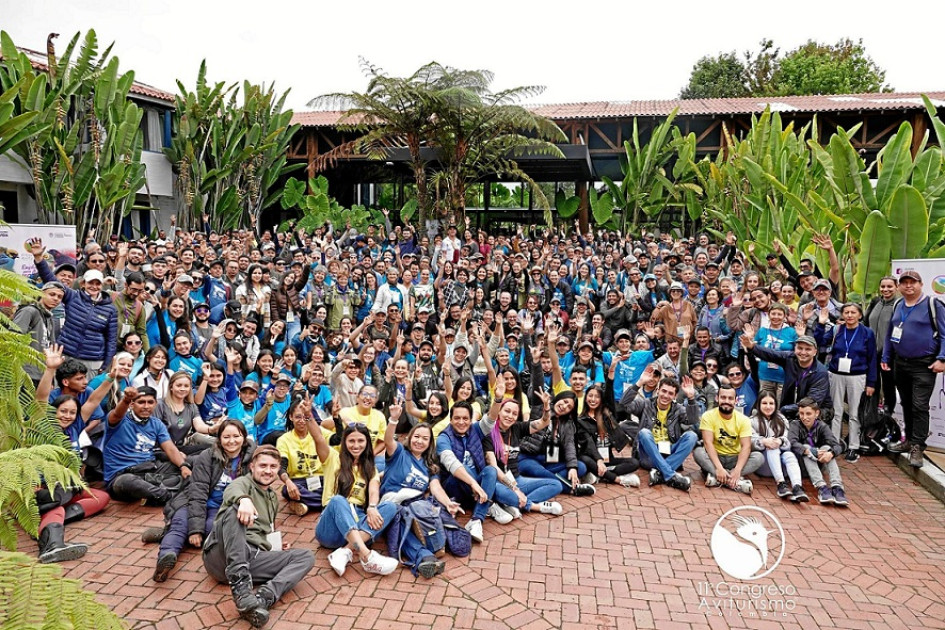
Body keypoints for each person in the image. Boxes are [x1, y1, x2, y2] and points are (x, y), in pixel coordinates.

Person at [201, 444, 315, 628]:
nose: (268, 471)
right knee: (234, 510)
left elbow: (265, 531)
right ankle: (241, 587)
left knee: (306, 557)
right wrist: (243, 500)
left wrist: (275, 546)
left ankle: (263, 599)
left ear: (278, 470)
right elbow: (232, 490)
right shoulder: (243, 483)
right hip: (220, 557)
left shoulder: (272, 498)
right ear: (252, 466)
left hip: (251, 557)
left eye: (273, 467)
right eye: (263, 466)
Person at [151, 420, 253, 583]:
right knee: (181, 524)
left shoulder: (251, 459)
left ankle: (165, 533)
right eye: (226, 437)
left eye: (236, 436)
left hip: (222, 508)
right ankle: (166, 558)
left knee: (213, 529)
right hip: (194, 500)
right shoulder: (207, 457)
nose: (231, 441)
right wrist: (195, 531)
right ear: (219, 439)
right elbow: (197, 492)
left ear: (244, 437)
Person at [306, 406, 400, 577]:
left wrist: (372, 506)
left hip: (356, 524)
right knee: (338, 500)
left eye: (360, 441)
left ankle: (345, 552)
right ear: (344, 442)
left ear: (367, 443)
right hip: (331, 527)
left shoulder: (369, 468)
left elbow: (373, 490)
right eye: (351, 441)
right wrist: (308, 416)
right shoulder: (332, 458)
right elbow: (318, 437)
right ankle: (367, 556)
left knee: (391, 507)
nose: (356, 445)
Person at [379, 406, 463, 577]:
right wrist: (393, 419)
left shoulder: (429, 466)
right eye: (416, 437)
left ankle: (427, 555)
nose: (419, 441)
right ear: (410, 438)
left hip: (414, 507)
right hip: (391, 504)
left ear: (430, 442)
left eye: (425, 438)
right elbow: (388, 440)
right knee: (400, 520)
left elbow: (436, 487)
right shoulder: (399, 453)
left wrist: (448, 503)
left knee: (409, 519)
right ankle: (424, 556)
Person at [881, 270, 945, 468]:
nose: (908, 286)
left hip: (923, 364)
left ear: (920, 284)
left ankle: (918, 446)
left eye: (912, 283)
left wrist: (942, 358)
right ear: (899, 286)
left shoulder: (932, 305)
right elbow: (891, 332)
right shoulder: (899, 304)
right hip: (901, 362)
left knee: (919, 405)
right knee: (907, 403)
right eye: (904, 283)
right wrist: (886, 356)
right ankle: (908, 440)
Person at [31, 237, 118, 373]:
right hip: (66, 356)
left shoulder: (110, 309)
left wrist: (106, 365)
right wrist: (39, 259)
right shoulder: (73, 296)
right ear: (83, 283)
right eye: (90, 283)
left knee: (88, 394)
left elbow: (111, 340)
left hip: (93, 362)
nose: (94, 287)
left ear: (102, 285)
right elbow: (51, 280)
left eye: (97, 283)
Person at [103, 386, 190, 505]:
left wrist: (183, 466)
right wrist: (126, 399)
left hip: (151, 469)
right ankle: (169, 496)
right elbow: (117, 414)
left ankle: (158, 491)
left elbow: (170, 448)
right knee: (127, 482)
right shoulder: (119, 420)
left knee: (193, 463)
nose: (146, 406)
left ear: (155, 404)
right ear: (132, 404)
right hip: (122, 475)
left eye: (150, 402)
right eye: (141, 402)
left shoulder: (157, 424)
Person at [814, 302, 878, 462]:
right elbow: (819, 341)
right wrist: (821, 324)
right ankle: (834, 444)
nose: (849, 315)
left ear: (860, 315)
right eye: (846, 312)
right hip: (836, 374)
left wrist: (871, 382)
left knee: (855, 413)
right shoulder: (838, 330)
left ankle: (853, 446)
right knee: (836, 411)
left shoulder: (867, 333)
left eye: (853, 312)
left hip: (858, 375)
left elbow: (872, 358)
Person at [621, 367, 698, 491]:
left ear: (675, 396)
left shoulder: (677, 409)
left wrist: (691, 398)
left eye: (670, 393)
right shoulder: (646, 404)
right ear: (657, 390)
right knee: (644, 433)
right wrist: (639, 383)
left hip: (668, 452)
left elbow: (693, 420)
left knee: (692, 436)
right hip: (648, 454)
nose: (666, 396)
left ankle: (660, 474)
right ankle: (670, 474)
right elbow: (624, 405)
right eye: (664, 391)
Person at [435, 401, 501, 544]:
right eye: (457, 418)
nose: (461, 422)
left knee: (490, 470)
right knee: (460, 471)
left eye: (465, 418)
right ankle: (487, 505)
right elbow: (451, 463)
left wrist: (498, 399)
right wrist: (474, 484)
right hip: (454, 488)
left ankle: (476, 520)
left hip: (476, 488)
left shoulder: (475, 430)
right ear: (450, 419)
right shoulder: (443, 438)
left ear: (471, 420)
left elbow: (490, 420)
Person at [693, 384, 764, 494]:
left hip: (735, 458)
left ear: (735, 400)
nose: (726, 401)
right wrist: (719, 468)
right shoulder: (708, 416)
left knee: (759, 457)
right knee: (698, 452)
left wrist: (738, 469)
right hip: (715, 457)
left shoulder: (743, 420)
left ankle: (719, 478)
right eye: (723, 397)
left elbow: (746, 446)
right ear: (717, 398)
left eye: (730, 398)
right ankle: (732, 480)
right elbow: (708, 443)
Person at [788, 398, 848, 506]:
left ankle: (837, 487)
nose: (804, 417)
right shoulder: (795, 424)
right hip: (801, 465)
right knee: (806, 447)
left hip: (819, 464)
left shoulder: (822, 426)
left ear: (817, 413)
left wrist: (831, 453)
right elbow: (792, 442)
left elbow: (837, 445)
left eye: (808, 414)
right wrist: (807, 450)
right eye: (801, 413)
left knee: (827, 448)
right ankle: (821, 487)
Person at [750, 393, 807, 502]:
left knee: (789, 454)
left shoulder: (782, 419)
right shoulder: (751, 421)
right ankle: (780, 484)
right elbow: (750, 441)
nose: (768, 406)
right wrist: (764, 441)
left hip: (782, 466)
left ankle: (797, 487)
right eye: (764, 403)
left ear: (776, 405)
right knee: (772, 448)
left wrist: (780, 441)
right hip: (764, 466)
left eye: (771, 403)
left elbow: (788, 438)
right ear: (758, 404)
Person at [276, 400, 325, 516]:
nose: (302, 421)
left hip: (320, 479)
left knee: (337, 484)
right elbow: (281, 466)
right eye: (298, 417)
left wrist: (336, 417)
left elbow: (337, 439)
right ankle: (327, 503)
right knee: (287, 489)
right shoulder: (284, 440)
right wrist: (288, 482)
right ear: (291, 417)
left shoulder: (318, 433)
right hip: (299, 482)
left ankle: (304, 503)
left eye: (305, 417)